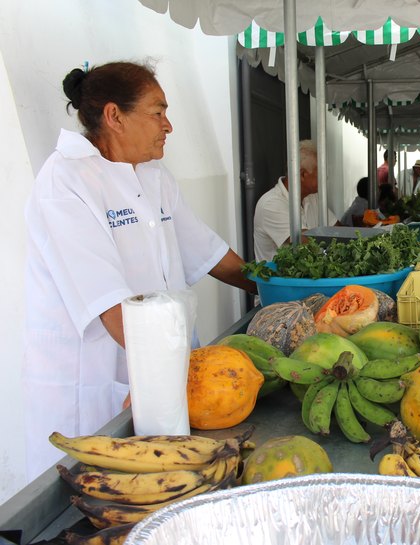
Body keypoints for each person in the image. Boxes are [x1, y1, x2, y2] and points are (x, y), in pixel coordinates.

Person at [22, 61, 257, 481]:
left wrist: (275, 287)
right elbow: (111, 307)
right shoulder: (66, 182)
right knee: (100, 494)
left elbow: (207, 251)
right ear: (114, 116)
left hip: (164, 373)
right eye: (157, 112)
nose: (168, 126)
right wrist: (162, 380)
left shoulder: (153, 174)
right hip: (105, 387)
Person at [252, 140, 339, 261]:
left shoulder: (312, 197)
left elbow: (337, 229)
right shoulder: (271, 204)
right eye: (320, 173)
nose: (325, 177)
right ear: (302, 174)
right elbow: (304, 242)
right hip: (279, 273)